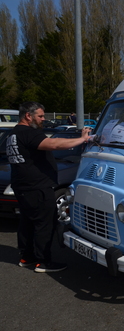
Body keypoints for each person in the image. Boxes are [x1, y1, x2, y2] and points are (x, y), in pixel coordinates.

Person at [6, 102, 91, 273]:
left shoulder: (13, 133)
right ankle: (43, 261)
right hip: (36, 188)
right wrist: (82, 139)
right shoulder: (28, 133)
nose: (43, 119)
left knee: (27, 222)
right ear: (28, 116)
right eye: (40, 116)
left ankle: (27, 257)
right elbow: (54, 144)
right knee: (44, 224)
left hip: (22, 186)